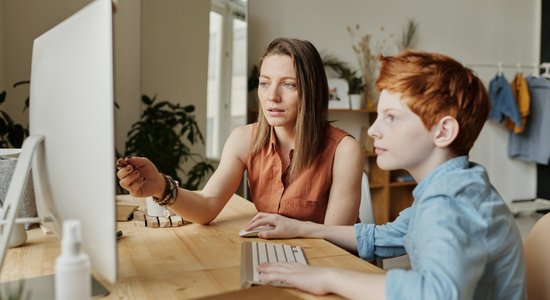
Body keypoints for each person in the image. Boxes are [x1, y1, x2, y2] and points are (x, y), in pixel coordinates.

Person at [245, 50, 526, 299]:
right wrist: (302, 228)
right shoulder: (455, 185)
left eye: (391, 117)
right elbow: (385, 237)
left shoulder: (450, 203)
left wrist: (328, 278)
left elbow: (435, 294)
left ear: (443, 132)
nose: (372, 130)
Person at [116, 37, 364, 225]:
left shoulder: (345, 151)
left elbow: (335, 242)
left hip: (327, 268)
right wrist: (160, 186)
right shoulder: (244, 139)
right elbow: (207, 205)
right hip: (277, 258)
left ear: (312, 91)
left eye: (288, 85)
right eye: (265, 83)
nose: (272, 96)